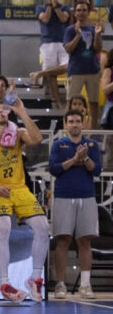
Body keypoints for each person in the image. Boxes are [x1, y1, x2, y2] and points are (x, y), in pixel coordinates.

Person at [0, 97, 48, 303]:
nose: (1, 112)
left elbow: (38, 138)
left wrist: (22, 112)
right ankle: (4, 283)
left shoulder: (17, 133)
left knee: (42, 227)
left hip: (19, 188)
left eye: (4, 110)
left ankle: (35, 278)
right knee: (3, 227)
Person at [49, 109, 100, 299]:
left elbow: (96, 170)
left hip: (86, 196)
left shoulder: (92, 145)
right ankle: (60, 285)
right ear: (65, 124)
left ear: (84, 123)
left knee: (85, 241)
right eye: (71, 121)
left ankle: (85, 285)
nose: (75, 124)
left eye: (78, 121)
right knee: (62, 241)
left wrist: (85, 158)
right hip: (63, 196)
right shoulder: (58, 145)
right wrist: (74, 160)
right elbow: (54, 169)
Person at [64, 1, 103, 127]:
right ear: (75, 13)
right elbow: (68, 49)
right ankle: (67, 128)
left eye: (84, 10)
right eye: (79, 10)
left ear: (88, 12)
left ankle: (94, 131)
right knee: (70, 103)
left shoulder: (94, 29)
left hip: (93, 70)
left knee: (94, 103)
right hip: (76, 71)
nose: (81, 13)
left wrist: (97, 35)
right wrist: (78, 36)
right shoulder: (70, 30)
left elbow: (97, 49)